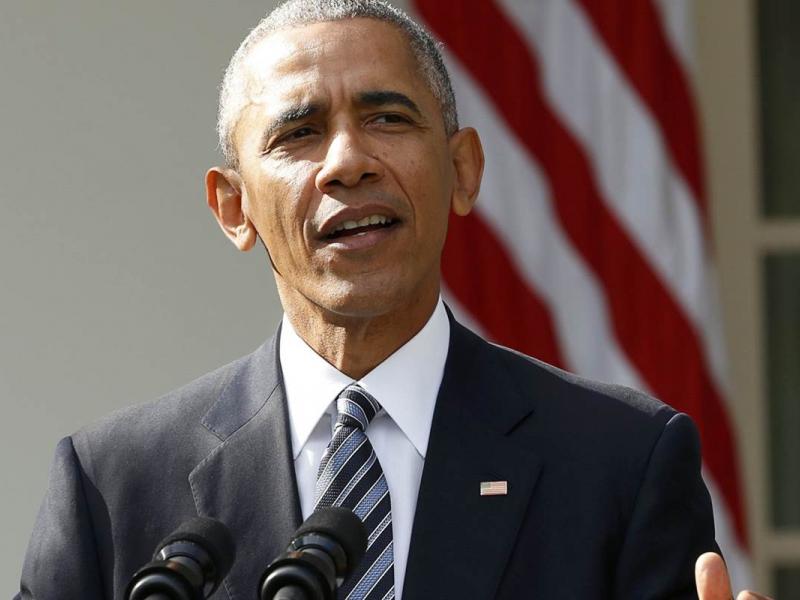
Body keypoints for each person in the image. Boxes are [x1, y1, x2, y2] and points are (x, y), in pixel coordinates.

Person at [17, 1, 771, 599]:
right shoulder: (111, 485)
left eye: (386, 118)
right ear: (234, 208)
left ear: (464, 171)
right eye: (299, 134)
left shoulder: (622, 462)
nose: (348, 161)